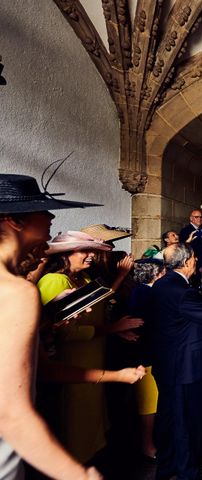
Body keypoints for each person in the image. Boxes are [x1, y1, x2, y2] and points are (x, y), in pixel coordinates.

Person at [0, 173, 103, 479]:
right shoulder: (17, 291)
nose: (51, 216)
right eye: (41, 210)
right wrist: (79, 476)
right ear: (14, 221)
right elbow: (12, 416)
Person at [37, 231, 142, 463]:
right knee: (76, 424)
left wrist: (117, 329)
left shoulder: (82, 280)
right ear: (65, 255)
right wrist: (113, 328)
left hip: (93, 357)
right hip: (73, 364)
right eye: (84, 251)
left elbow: (101, 303)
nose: (91, 256)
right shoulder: (54, 281)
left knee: (92, 422)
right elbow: (65, 332)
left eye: (92, 251)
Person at [150, 243, 202, 480]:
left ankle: (167, 467)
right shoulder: (182, 292)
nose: (196, 261)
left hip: (167, 363)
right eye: (194, 257)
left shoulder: (163, 284)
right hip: (185, 367)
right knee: (188, 421)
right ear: (187, 262)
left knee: (169, 418)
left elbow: (186, 306)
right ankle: (189, 472)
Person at [128, 257, 165, 461]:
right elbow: (140, 322)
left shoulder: (147, 291)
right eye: (162, 272)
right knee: (148, 403)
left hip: (151, 350)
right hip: (145, 353)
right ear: (155, 274)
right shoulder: (143, 293)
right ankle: (147, 445)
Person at [179, 209, 202, 274]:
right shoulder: (185, 231)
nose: (199, 219)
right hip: (197, 266)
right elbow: (185, 249)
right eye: (196, 217)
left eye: (201, 217)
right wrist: (197, 266)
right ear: (191, 218)